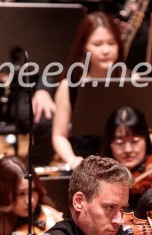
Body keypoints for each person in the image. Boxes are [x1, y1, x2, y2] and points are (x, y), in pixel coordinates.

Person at [52, 13, 123, 169]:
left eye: (111, 43)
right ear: (84, 46)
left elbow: (147, 130)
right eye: (97, 44)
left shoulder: (133, 81)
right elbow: (59, 135)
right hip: (85, 164)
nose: (106, 50)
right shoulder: (69, 85)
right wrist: (72, 159)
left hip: (123, 162)